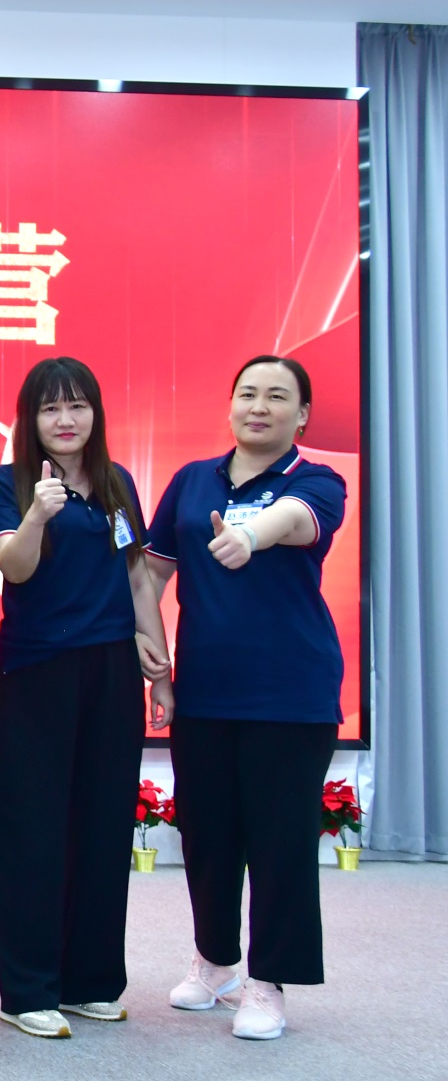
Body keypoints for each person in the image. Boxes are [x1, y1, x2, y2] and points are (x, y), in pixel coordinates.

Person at [144, 355, 347, 1041]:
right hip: (205, 689)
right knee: (207, 834)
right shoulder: (192, 480)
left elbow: (294, 520)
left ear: (302, 415)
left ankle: (269, 981)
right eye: (248, 394)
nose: (259, 407)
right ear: (230, 404)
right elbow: (151, 575)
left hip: (290, 693)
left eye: (277, 397)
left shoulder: (316, 481)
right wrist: (157, 666)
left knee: (280, 840)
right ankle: (215, 962)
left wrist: (248, 536)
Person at [0, 356, 171, 1039]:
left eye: (77, 405)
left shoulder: (117, 482)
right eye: (50, 408)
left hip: (111, 670)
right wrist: (37, 514)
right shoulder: (8, 483)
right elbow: (14, 566)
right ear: (29, 419)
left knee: (102, 825)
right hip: (38, 670)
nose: (65, 420)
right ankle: (28, 989)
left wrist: (160, 667)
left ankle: (89, 979)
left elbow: (137, 576)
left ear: (95, 412)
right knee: (32, 829)